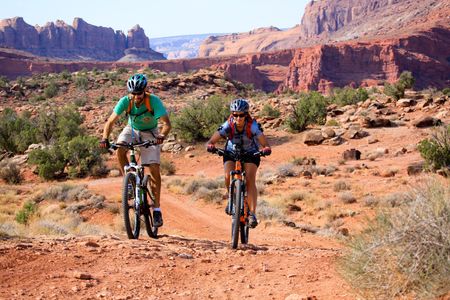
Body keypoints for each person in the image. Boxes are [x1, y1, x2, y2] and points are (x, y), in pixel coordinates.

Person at [99, 73, 171, 227]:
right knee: (120, 148)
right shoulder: (125, 101)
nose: (136, 96)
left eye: (139, 93)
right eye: (133, 93)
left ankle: (157, 209)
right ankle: (129, 181)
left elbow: (166, 124)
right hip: (131, 130)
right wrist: (105, 138)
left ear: (144, 90)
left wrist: (161, 136)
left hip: (150, 133)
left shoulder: (154, 101)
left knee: (154, 168)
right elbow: (111, 121)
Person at [206, 98, 271, 228]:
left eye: (241, 115)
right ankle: (232, 199)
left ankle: (252, 214)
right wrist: (210, 145)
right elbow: (212, 140)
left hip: (250, 153)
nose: (238, 118)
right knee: (227, 176)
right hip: (231, 152)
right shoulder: (228, 125)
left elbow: (264, 144)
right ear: (232, 114)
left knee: (250, 179)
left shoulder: (252, 126)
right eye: (235, 115)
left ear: (246, 115)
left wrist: (265, 149)